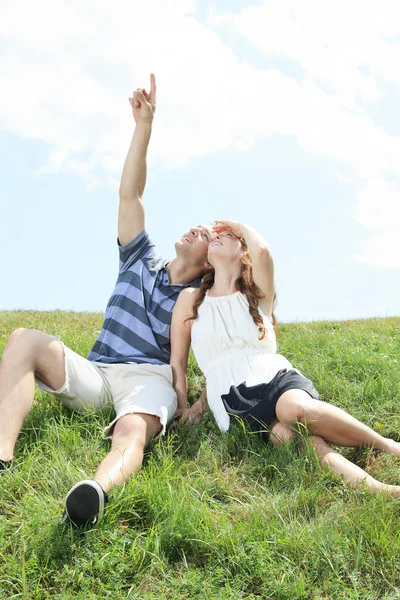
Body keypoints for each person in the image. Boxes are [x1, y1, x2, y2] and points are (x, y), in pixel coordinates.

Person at [0, 73, 214, 527]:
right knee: (24, 339)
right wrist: (144, 127)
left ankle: (95, 491)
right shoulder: (139, 257)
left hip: (148, 379)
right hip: (98, 371)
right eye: (200, 226)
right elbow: (129, 193)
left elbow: (225, 349)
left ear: (211, 261)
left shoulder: (202, 299)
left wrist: (189, 401)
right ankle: (1, 457)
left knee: (133, 428)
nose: (198, 228)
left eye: (208, 236)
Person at [170, 220, 400, 497]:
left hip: (273, 379)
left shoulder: (256, 293)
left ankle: (388, 447)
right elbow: (178, 361)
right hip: (232, 401)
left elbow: (263, 250)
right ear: (207, 262)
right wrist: (186, 406)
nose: (219, 237)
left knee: (296, 411)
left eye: (229, 236)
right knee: (290, 438)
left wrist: (238, 226)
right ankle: (381, 490)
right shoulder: (191, 299)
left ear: (243, 251)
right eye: (216, 237)